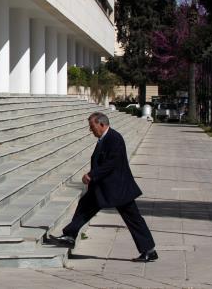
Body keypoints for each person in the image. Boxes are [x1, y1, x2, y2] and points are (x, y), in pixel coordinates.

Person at [47, 112, 158, 262]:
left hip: (118, 189)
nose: (90, 130)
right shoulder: (105, 138)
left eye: (92, 127)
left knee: (133, 218)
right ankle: (70, 235)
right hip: (104, 187)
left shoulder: (114, 138)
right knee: (85, 205)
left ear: (101, 124)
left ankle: (149, 251)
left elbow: (111, 163)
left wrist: (91, 175)